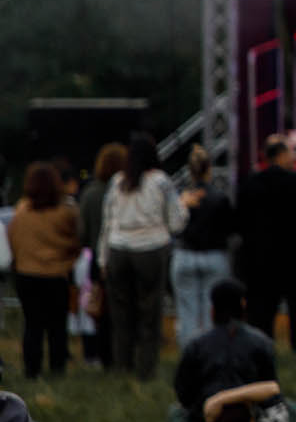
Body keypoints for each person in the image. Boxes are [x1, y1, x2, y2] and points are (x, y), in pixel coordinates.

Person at [98, 132, 188, 381]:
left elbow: (107, 223)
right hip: (150, 251)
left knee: (121, 316)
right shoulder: (161, 182)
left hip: (118, 250)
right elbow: (176, 223)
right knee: (150, 313)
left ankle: (122, 367)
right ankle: (146, 371)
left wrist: (103, 260)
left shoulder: (117, 182)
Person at [235, 136, 296, 353]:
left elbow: (239, 221)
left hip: (260, 261)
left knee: (261, 312)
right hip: (295, 260)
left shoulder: (250, 185)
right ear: (281, 155)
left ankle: (260, 349)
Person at [174, 278, 278, 422]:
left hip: (205, 418)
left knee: (174, 413)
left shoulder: (196, 344)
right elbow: (270, 389)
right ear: (243, 307)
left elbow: (183, 392)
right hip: (249, 417)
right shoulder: (261, 342)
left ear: (213, 309)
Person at [7, 162, 81, 378]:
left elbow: (13, 240)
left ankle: (32, 370)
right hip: (56, 275)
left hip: (26, 274)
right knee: (57, 326)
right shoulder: (66, 213)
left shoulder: (20, 213)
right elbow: (75, 241)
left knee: (32, 325)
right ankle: (58, 368)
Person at [172, 145, 234, 350]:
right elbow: (229, 229)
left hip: (185, 255)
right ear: (209, 169)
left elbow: (173, 226)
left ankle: (191, 356)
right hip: (214, 256)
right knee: (212, 309)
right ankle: (211, 352)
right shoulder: (220, 198)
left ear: (190, 170)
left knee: (187, 311)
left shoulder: (182, 198)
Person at [76, 143, 126, 368]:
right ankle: (123, 355)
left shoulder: (90, 193)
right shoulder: (127, 191)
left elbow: (82, 232)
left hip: (96, 258)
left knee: (100, 309)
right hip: (122, 255)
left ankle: (104, 356)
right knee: (123, 307)